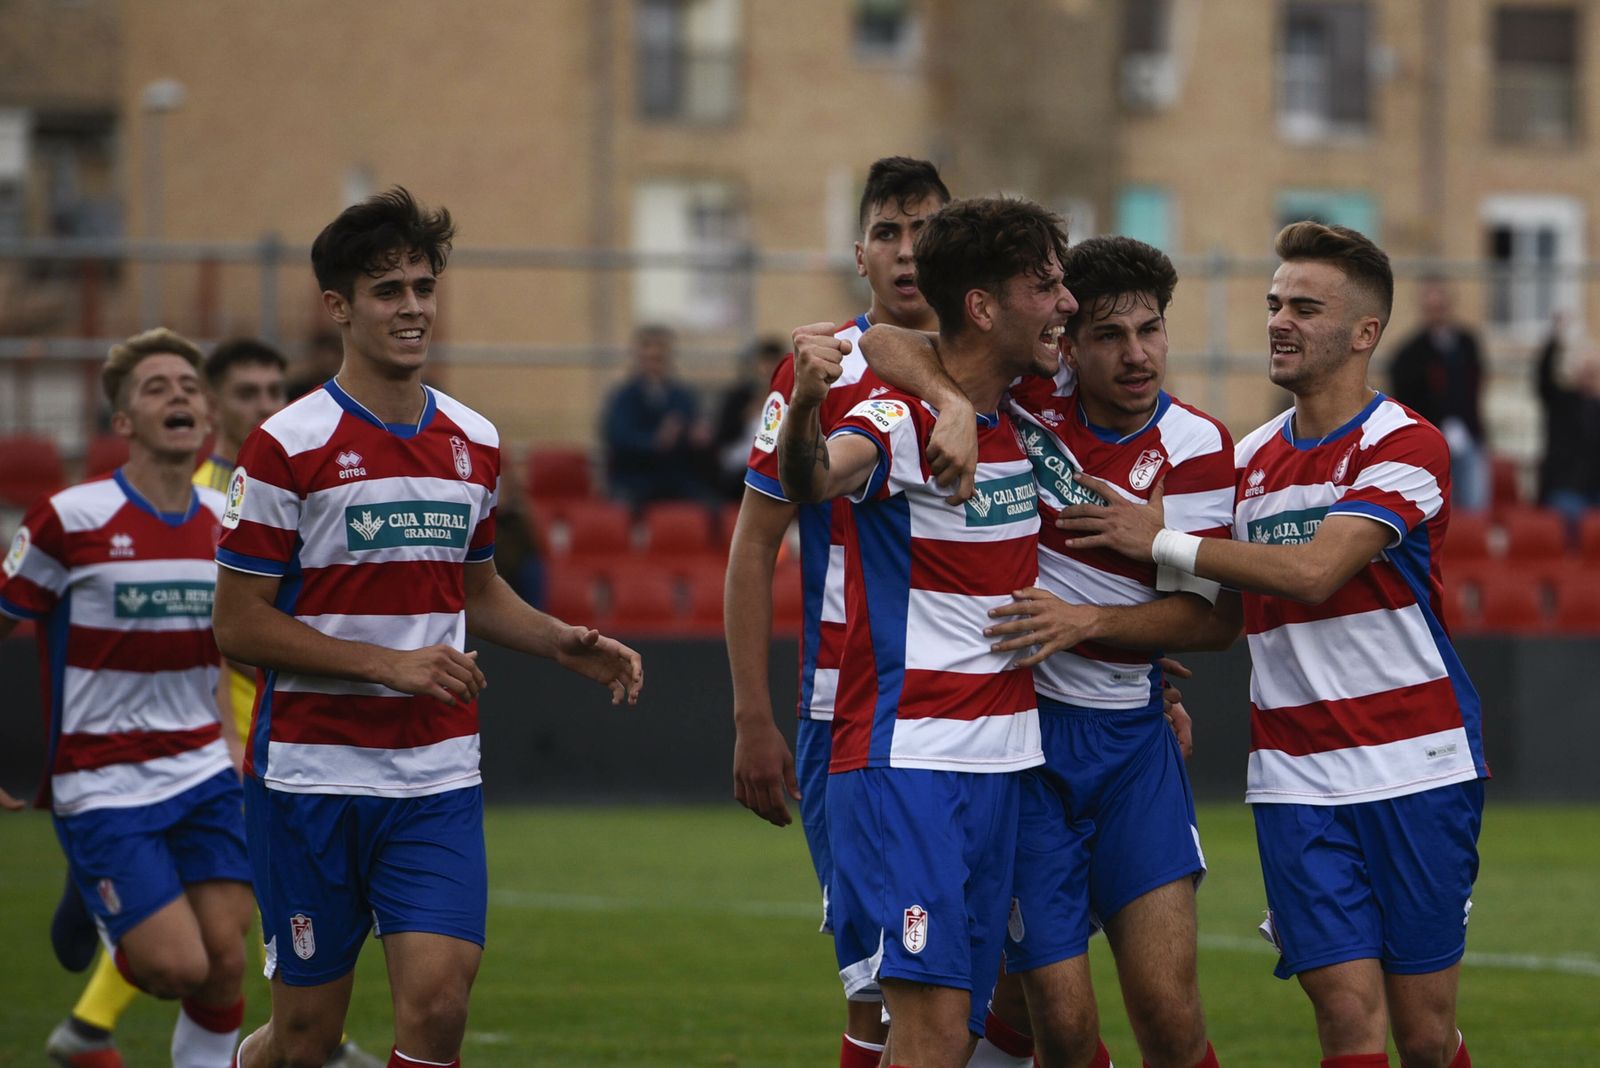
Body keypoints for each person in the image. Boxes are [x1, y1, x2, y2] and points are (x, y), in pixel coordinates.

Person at [213, 187, 643, 1068]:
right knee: (303, 1040)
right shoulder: (285, 446)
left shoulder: (475, 440)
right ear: (338, 307)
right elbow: (237, 624)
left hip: (435, 776)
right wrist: (385, 664)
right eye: (387, 291)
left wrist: (563, 641)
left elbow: (476, 592)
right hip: (312, 780)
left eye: (423, 286)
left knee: (441, 1004)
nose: (412, 308)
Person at [1059, 222, 1486, 1068]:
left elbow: (1317, 570)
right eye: (1272, 304)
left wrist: (1163, 541)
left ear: (1365, 333)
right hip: (1295, 774)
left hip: (1417, 763)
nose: (1279, 322)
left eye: (1305, 307)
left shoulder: (1404, 443)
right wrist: (1151, 671)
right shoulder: (1244, 459)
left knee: (1427, 1036)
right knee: (1345, 1019)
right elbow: (1207, 611)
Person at [858, 236, 1230, 1068]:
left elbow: (1213, 622)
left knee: (1169, 1015)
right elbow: (883, 340)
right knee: (1061, 1022)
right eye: (1108, 335)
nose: (1137, 355)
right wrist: (949, 404)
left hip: (1134, 748)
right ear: (1070, 343)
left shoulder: (1199, 446)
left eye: (1151, 330)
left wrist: (1088, 620)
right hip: (1024, 745)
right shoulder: (1031, 397)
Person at [777, 195, 1073, 1068]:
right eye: (1045, 285)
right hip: (909, 767)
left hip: (1005, 765)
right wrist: (803, 407)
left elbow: (892, 342)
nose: (1066, 303)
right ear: (984, 306)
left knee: (973, 1031)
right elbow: (814, 480)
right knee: (932, 1036)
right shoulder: (897, 425)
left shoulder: (1021, 418)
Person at [727, 156, 962, 1068]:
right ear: (859, 253)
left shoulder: (999, 369)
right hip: (858, 712)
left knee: (1021, 982)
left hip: (999, 710)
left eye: (926, 232)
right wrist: (753, 717)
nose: (908, 254)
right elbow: (753, 545)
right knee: (885, 993)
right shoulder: (822, 367)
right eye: (889, 234)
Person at [1, 327, 256, 1068]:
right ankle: (96, 887)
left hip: (202, 769)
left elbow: (221, 646)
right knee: (176, 967)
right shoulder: (69, 519)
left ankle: (100, 906)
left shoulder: (226, 525)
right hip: (102, 775)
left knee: (227, 966)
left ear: (206, 417)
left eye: (189, 386)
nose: (178, 394)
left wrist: (236, 742)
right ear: (123, 424)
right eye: (156, 387)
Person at [1386, 280, 1488, 511]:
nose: (1437, 312)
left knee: (1475, 507)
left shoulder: (1466, 343)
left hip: (1470, 434)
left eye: (1440, 306)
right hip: (1431, 440)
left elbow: (1475, 384)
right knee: (1438, 506)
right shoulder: (1410, 353)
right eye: (1431, 307)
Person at [600, 324, 710, 508]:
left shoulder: (682, 395)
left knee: (710, 507)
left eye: (659, 358)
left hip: (676, 478)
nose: (654, 365)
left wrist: (698, 438)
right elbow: (618, 438)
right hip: (635, 478)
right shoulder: (624, 397)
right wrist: (654, 441)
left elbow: (694, 431)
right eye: (649, 358)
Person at [1533, 315, 1600, 535]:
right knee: (1571, 522)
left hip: (1594, 486)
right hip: (1566, 487)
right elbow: (1543, 378)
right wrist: (1556, 339)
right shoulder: (1561, 400)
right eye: (1585, 368)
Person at [711, 336, 785, 501]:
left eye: (774, 363)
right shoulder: (738, 396)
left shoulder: (789, 398)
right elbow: (723, 436)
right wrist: (744, 416)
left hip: (777, 465)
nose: (769, 369)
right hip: (740, 467)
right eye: (765, 363)